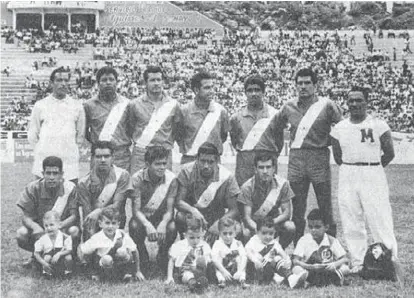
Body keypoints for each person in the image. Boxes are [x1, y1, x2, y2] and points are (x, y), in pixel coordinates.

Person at [330, 86, 402, 281]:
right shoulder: (339, 128)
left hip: (372, 171)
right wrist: (352, 168)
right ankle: (358, 261)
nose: (354, 104)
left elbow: (389, 153)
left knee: (379, 216)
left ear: (366, 102)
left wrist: (373, 168)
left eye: (358, 100)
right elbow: (337, 156)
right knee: (351, 217)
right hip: (348, 171)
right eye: (350, 100)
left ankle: (388, 259)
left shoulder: (378, 124)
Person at [278, 68, 342, 245]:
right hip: (296, 159)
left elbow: (342, 129)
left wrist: (327, 142)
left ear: (315, 85)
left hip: (319, 158)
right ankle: (299, 248)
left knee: (325, 206)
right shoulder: (288, 106)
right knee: (297, 208)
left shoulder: (327, 105)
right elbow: (275, 129)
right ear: (295, 85)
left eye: (307, 83)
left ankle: (331, 248)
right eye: (300, 83)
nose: (303, 86)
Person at [16, 156, 79, 268]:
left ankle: (67, 256)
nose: (51, 177)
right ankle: (37, 255)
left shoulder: (70, 188)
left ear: (62, 174)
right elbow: (26, 217)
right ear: (42, 173)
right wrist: (36, 228)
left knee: (74, 230)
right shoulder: (33, 188)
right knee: (21, 233)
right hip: (40, 230)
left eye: (55, 173)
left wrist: (57, 227)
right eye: (48, 173)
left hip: (61, 229)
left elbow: (74, 216)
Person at [175, 142, 240, 246]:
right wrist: (193, 210)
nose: (206, 166)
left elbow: (234, 209)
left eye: (211, 162)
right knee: (180, 216)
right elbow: (178, 201)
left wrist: (219, 223)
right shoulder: (187, 171)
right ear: (197, 159)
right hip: (194, 216)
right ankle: (187, 243)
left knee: (236, 227)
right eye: (203, 161)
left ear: (217, 161)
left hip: (216, 216)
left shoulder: (227, 177)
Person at [28, 67, 85, 183]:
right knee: (43, 197)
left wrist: (69, 150)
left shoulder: (77, 106)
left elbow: (80, 135)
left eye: (65, 80)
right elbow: (33, 135)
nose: (63, 84)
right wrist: (42, 151)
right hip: (44, 160)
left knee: (69, 197)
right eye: (59, 80)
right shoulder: (40, 105)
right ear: (51, 83)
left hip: (68, 162)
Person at [128, 146, 178, 272]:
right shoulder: (137, 178)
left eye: (164, 163)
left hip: (161, 217)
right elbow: (136, 210)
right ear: (147, 164)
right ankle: (142, 256)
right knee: (134, 225)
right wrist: (147, 225)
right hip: (143, 219)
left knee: (172, 227)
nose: (162, 167)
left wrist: (163, 223)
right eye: (157, 164)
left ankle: (162, 254)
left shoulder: (172, 179)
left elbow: (170, 210)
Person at [230, 75, 284, 186]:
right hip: (244, 165)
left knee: (268, 199)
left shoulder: (275, 115)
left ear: (263, 92)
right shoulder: (236, 117)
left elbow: (280, 141)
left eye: (257, 90)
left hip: (267, 162)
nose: (254, 93)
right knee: (243, 198)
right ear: (245, 93)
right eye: (250, 90)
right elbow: (235, 140)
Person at [129, 66, 181, 174]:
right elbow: (129, 127)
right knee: (138, 186)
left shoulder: (173, 105)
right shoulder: (134, 104)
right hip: (141, 154)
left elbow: (177, 129)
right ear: (145, 83)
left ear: (163, 82)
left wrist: (166, 142)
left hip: (164, 154)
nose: (156, 83)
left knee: (163, 187)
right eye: (152, 80)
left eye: (159, 79)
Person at [238, 152, 295, 249]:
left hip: (273, 223)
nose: (265, 171)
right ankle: (250, 256)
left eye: (268, 167)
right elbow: (247, 218)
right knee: (245, 233)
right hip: (254, 225)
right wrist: (259, 228)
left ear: (274, 169)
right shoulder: (247, 187)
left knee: (290, 227)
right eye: (261, 167)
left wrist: (272, 223)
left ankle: (277, 250)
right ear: (255, 169)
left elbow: (286, 213)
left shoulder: (283, 184)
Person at [77, 141, 133, 238]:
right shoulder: (83, 183)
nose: (103, 160)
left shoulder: (122, 175)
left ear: (113, 158)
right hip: (95, 223)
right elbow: (88, 215)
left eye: (106, 156)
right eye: (98, 157)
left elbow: (117, 205)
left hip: (115, 221)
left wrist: (99, 211)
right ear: (93, 158)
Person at [78, 206, 145, 282]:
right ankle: (106, 277)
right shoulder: (97, 238)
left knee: (122, 252)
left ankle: (125, 274)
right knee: (107, 259)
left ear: (118, 225)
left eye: (113, 223)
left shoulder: (122, 235)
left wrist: (138, 271)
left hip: (119, 264)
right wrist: (91, 271)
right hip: (105, 266)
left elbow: (134, 250)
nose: (110, 226)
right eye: (107, 223)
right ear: (100, 224)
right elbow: (82, 250)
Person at [84, 66, 132, 170]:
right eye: (104, 80)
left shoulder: (127, 104)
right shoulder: (89, 105)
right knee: (97, 185)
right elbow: (86, 132)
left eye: (111, 79)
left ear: (116, 82)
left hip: (122, 157)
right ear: (98, 83)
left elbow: (131, 129)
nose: (108, 83)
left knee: (122, 185)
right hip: (99, 155)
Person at [177, 71, 229, 164]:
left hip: (213, 160)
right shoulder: (184, 111)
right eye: (207, 88)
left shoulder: (221, 111)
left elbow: (223, 136)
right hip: (190, 160)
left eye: (212, 87)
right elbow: (179, 136)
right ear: (196, 90)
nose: (211, 91)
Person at [292, 209, 350, 287]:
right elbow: (295, 260)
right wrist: (309, 266)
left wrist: (335, 264)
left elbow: (345, 258)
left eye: (317, 227)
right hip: (310, 270)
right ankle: (308, 280)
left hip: (328, 270)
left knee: (345, 268)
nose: (313, 230)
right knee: (296, 269)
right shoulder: (304, 240)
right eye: (310, 227)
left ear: (326, 227)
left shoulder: (331, 240)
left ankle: (335, 277)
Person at [245, 217, 307, 288]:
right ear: (257, 231)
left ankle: (290, 278)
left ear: (274, 232)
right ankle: (285, 278)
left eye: (271, 234)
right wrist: (255, 261)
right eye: (264, 233)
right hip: (256, 269)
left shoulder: (274, 243)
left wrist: (287, 261)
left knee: (278, 258)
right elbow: (247, 252)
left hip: (269, 269)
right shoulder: (253, 241)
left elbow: (282, 253)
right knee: (269, 258)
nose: (268, 237)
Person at [165, 215, 211, 294]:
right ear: (185, 235)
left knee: (204, 263)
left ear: (202, 234)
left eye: (198, 237)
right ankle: (194, 284)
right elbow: (171, 261)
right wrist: (169, 277)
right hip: (184, 271)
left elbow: (207, 260)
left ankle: (202, 280)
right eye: (192, 238)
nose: (195, 241)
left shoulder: (204, 245)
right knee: (188, 275)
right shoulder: (179, 245)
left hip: (200, 270)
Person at [33, 210, 73, 277]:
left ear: (59, 225)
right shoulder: (43, 239)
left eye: (51, 225)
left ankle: (67, 272)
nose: (49, 228)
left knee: (68, 257)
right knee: (47, 257)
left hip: (61, 259)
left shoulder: (65, 237)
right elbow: (36, 253)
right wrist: (44, 263)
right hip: (49, 261)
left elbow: (69, 250)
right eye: (46, 226)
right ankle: (47, 273)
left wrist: (59, 253)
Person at [211, 218, 248, 288]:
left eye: (230, 233)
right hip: (224, 269)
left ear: (235, 233)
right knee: (217, 259)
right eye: (224, 233)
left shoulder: (238, 243)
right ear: (219, 233)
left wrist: (239, 271)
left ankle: (242, 280)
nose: (228, 237)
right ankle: (222, 281)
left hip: (235, 269)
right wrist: (223, 271)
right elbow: (214, 259)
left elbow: (244, 257)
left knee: (241, 258)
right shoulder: (217, 244)